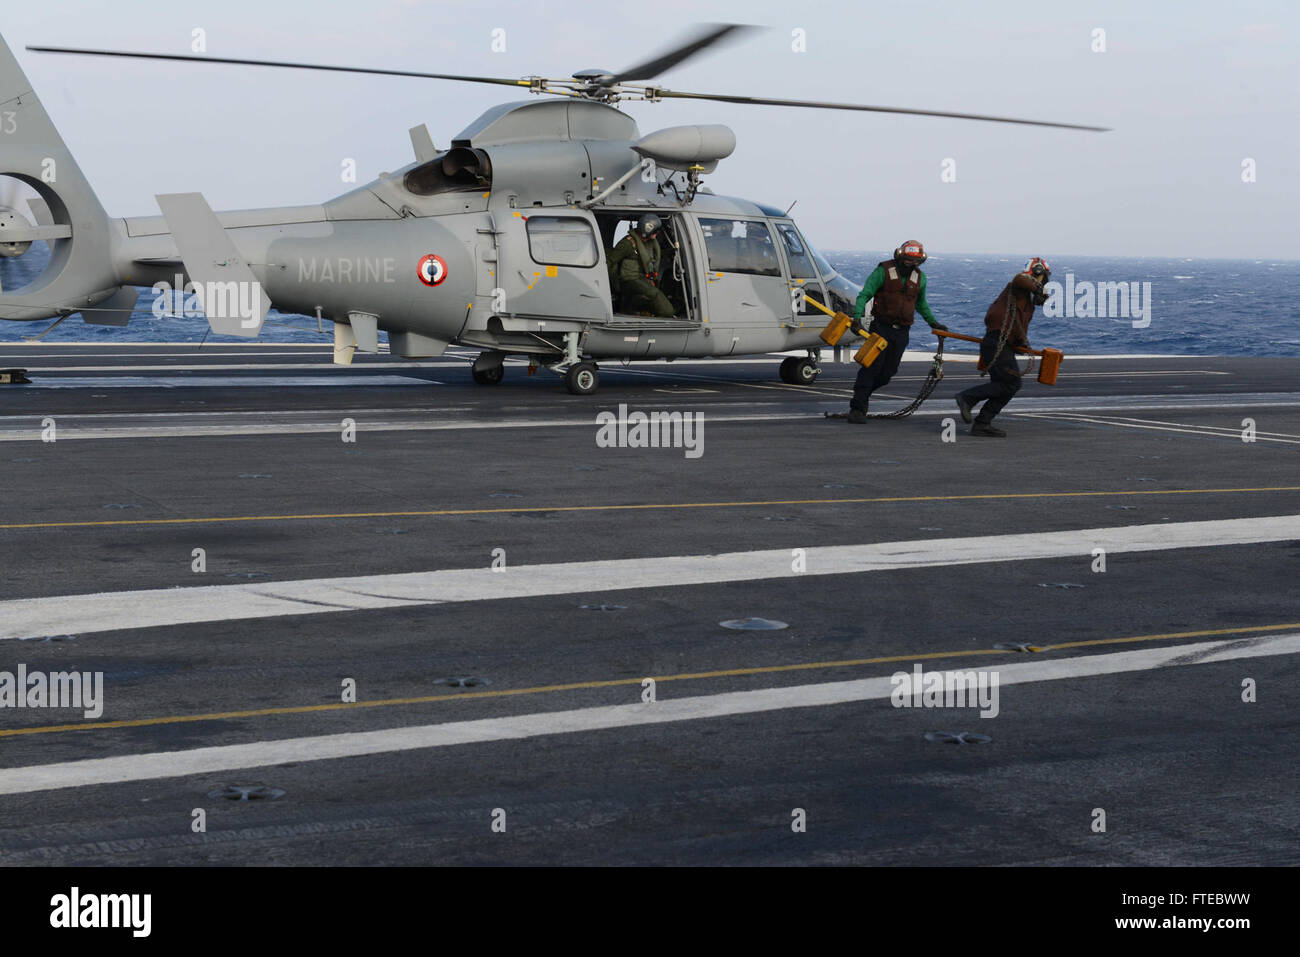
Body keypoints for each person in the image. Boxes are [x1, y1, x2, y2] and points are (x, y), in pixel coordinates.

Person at [845, 240, 947, 423]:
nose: (910, 264)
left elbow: (921, 304)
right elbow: (865, 294)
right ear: (900, 256)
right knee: (871, 368)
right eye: (907, 260)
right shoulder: (882, 271)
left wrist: (934, 323)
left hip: (902, 332)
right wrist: (857, 318)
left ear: (920, 261)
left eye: (914, 261)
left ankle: (863, 395)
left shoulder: (920, 278)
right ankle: (857, 408)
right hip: (880, 328)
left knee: (888, 373)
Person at [955, 257, 1051, 437]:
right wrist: (1039, 287)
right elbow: (1019, 278)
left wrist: (1020, 343)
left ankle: (982, 424)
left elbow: (1017, 325)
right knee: (1011, 383)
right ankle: (968, 398)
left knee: (1006, 385)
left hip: (1000, 344)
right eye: (1042, 276)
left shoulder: (1025, 300)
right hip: (997, 342)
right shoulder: (1019, 285)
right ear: (1038, 273)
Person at [608, 214, 674, 317]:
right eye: (654, 232)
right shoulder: (627, 244)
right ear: (646, 230)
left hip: (643, 278)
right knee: (654, 294)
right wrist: (613, 286)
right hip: (629, 280)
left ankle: (635, 308)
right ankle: (667, 314)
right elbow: (610, 262)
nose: (655, 235)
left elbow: (652, 256)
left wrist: (672, 251)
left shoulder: (649, 243)